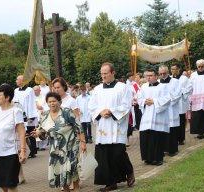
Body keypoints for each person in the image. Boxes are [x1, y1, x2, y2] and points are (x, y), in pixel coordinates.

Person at [88, 62, 135, 191]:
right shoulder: (97, 89)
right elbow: (91, 106)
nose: (103, 76)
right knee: (104, 157)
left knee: (118, 154)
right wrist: (100, 112)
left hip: (116, 126)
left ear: (113, 73)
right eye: (102, 74)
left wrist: (111, 111)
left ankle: (129, 171)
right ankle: (110, 183)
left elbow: (126, 105)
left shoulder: (123, 87)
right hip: (103, 126)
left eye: (106, 73)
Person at [32, 92, 86, 192]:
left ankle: (76, 189)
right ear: (47, 103)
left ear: (60, 102)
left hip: (70, 146)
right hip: (55, 149)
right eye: (49, 101)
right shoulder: (44, 115)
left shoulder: (66, 112)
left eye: (54, 101)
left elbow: (78, 127)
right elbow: (44, 133)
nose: (52, 103)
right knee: (61, 172)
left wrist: (83, 142)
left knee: (72, 170)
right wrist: (39, 134)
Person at [138, 69, 170, 166]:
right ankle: (147, 158)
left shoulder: (163, 87)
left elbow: (167, 99)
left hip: (158, 116)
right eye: (147, 75)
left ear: (156, 76)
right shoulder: (143, 87)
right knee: (145, 137)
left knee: (157, 138)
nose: (148, 77)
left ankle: (158, 158)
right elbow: (139, 98)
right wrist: (144, 101)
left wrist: (154, 101)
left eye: (151, 75)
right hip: (147, 116)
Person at [13, 75, 38, 158]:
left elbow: (31, 103)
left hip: (28, 115)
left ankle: (33, 150)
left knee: (30, 133)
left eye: (17, 79)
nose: (16, 81)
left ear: (22, 81)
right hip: (19, 114)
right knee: (23, 134)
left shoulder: (29, 90)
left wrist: (31, 117)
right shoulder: (15, 90)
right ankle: (25, 150)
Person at [159, 65, 181, 156]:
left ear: (168, 72)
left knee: (171, 130)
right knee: (162, 130)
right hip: (162, 109)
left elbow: (178, 94)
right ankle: (163, 149)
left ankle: (172, 149)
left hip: (171, 109)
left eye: (164, 73)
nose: (163, 75)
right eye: (161, 74)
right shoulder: (157, 83)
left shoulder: (175, 82)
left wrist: (168, 101)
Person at [171, 63, 190, 145]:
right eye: (171, 69)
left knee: (181, 122)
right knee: (173, 122)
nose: (173, 71)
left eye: (174, 69)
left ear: (178, 69)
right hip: (173, 103)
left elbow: (189, 87)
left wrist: (182, 93)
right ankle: (174, 138)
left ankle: (181, 139)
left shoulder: (184, 78)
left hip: (181, 103)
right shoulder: (170, 79)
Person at [33, 85, 48, 150]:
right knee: (35, 130)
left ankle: (43, 146)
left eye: (36, 90)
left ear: (40, 90)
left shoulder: (44, 97)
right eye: (34, 90)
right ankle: (36, 145)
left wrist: (42, 108)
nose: (34, 91)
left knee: (42, 130)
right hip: (34, 115)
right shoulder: (31, 97)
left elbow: (47, 106)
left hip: (41, 114)